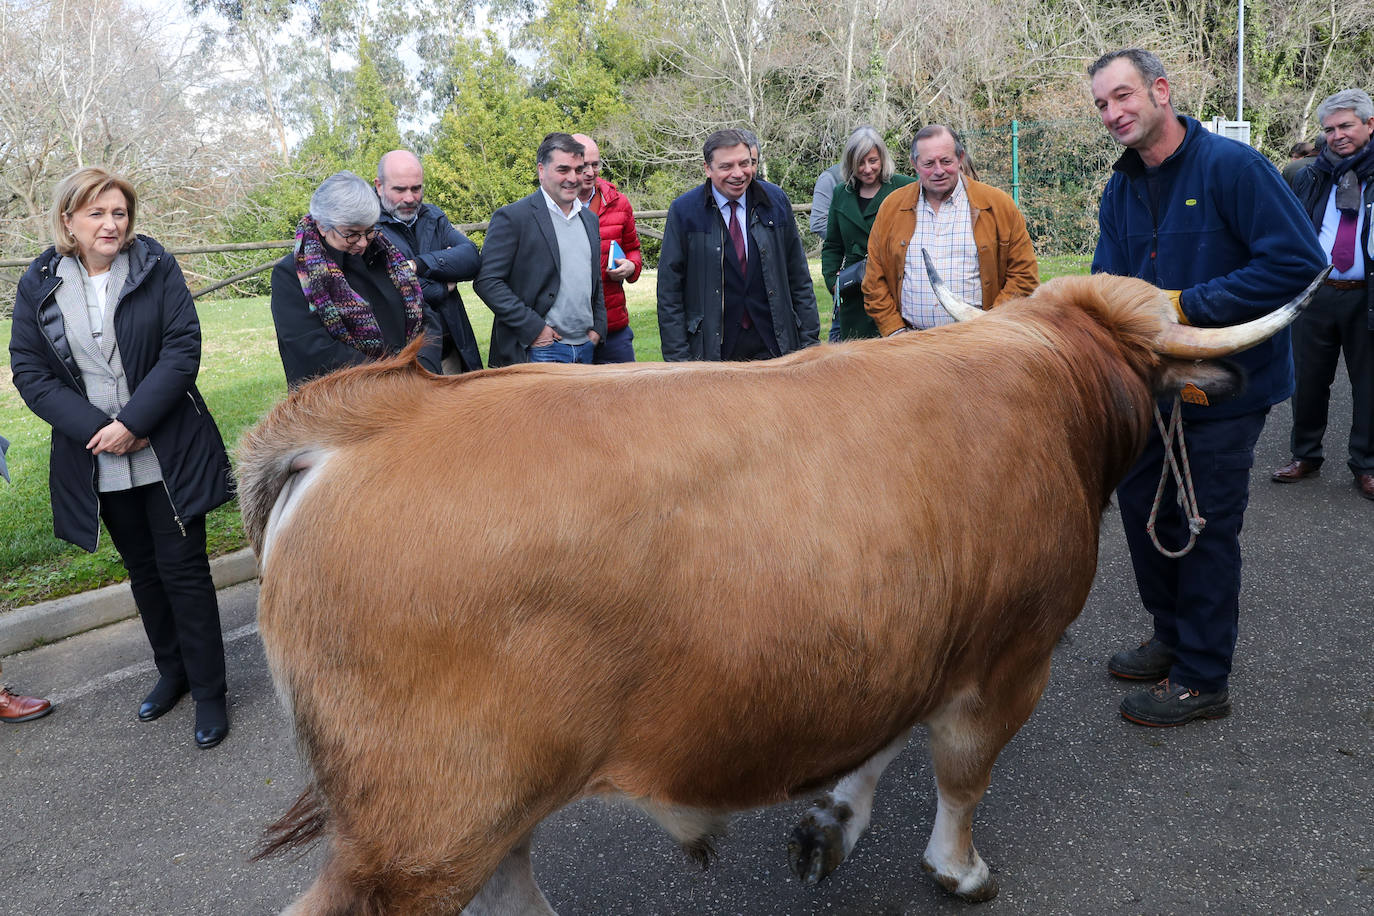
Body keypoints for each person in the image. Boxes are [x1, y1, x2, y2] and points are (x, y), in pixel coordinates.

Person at [1088, 49, 1326, 726]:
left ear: (1161, 90)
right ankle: (1170, 633)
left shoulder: (1234, 168)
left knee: (1204, 526)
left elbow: (1299, 261)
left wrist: (1188, 306)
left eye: (1123, 96)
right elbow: (1110, 279)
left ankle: (1202, 676)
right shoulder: (1121, 187)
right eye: (1102, 104)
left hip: (1225, 387)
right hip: (1146, 388)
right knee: (1142, 513)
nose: (1113, 113)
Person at [9, 167, 235, 748]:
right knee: (143, 571)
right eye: (97, 213)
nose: (111, 224)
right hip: (97, 459)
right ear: (68, 221)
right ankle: (173, 674)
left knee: (184, 572)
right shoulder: (39, 283)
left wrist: (135, 422)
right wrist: (102, 431)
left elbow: (183, 348)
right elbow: (31, 372)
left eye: (120, 212)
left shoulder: (156, 267)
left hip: (168, 449)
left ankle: (210, 691)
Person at [1272, 90, 1374, 501]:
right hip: (1316, 293)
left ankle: (1366, 465)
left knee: (1368, 385)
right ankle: (1305, 455)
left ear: (1369, 124)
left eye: (1346, 126)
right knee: (1308, 381)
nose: (1337, 136)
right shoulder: (1308, 174)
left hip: (1366, 294)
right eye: (1329, 129)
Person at [657, 128, 821, 361]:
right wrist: (679, 361)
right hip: (714, 352)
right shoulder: (685, 212)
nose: (738, 174)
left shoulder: (775, 201)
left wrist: (810, 346)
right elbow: (669, 293)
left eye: (744, 163)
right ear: (707, 169)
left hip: (775, 346)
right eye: (726, 167)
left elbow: (799, 278)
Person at [270, 171, 442, 388]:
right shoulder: (292, 275)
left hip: (413, 388)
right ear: (323, 225)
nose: (362, 243)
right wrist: (391, 379)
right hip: (344, 403)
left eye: (369, 231)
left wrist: (424, 367)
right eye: (351, 234)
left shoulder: (387, 258)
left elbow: (425, 318)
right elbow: (312, 348)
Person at [863, 125, 1039, 335]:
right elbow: (874, 281)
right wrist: (895, 332)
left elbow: (1024, 276)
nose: (939, 171)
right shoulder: (892, 208)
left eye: (946, 161)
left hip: (979, 342)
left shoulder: (998, 206)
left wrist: (990, 327)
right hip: (911, 345)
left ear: (960, 158)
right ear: (914, 164)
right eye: (929, 163)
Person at [474, 132, 607, 367]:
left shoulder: (589, 219)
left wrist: (599, 325)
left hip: (586, 349)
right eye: (563, 170)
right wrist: (534, 329)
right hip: (539, 351)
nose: (573, 178)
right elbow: (487, 281)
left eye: (578, 169)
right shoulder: (513, 218)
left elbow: (594, 279)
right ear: (541, 171)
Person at [374, 150, 484, 374]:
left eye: (416, 188)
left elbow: (471, 258)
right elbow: (390, 291)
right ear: (379, 186)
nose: (409, 198)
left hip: (453, 350)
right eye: (400, 189)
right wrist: (444, 286)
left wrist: (418, 266)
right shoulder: (368, 229)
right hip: (407, 360)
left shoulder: (433, 216)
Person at [820, 127, 916, 340]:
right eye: (860, 163)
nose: (867, 169)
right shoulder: (841, 193)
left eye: (873, 160)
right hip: (854, 291)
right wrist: (832, 281)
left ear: (882, 158)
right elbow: (833, 245)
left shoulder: (905, 188)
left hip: (894, 287)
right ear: (850, 164)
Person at [571, 133, 642, 363]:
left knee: (626, 397)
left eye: (595, 164)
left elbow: (633, 249)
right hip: (571, 331)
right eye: (583, 166)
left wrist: (631, 266)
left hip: (614, 327)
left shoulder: (619, 202)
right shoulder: (555, 206)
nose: (591, 172)